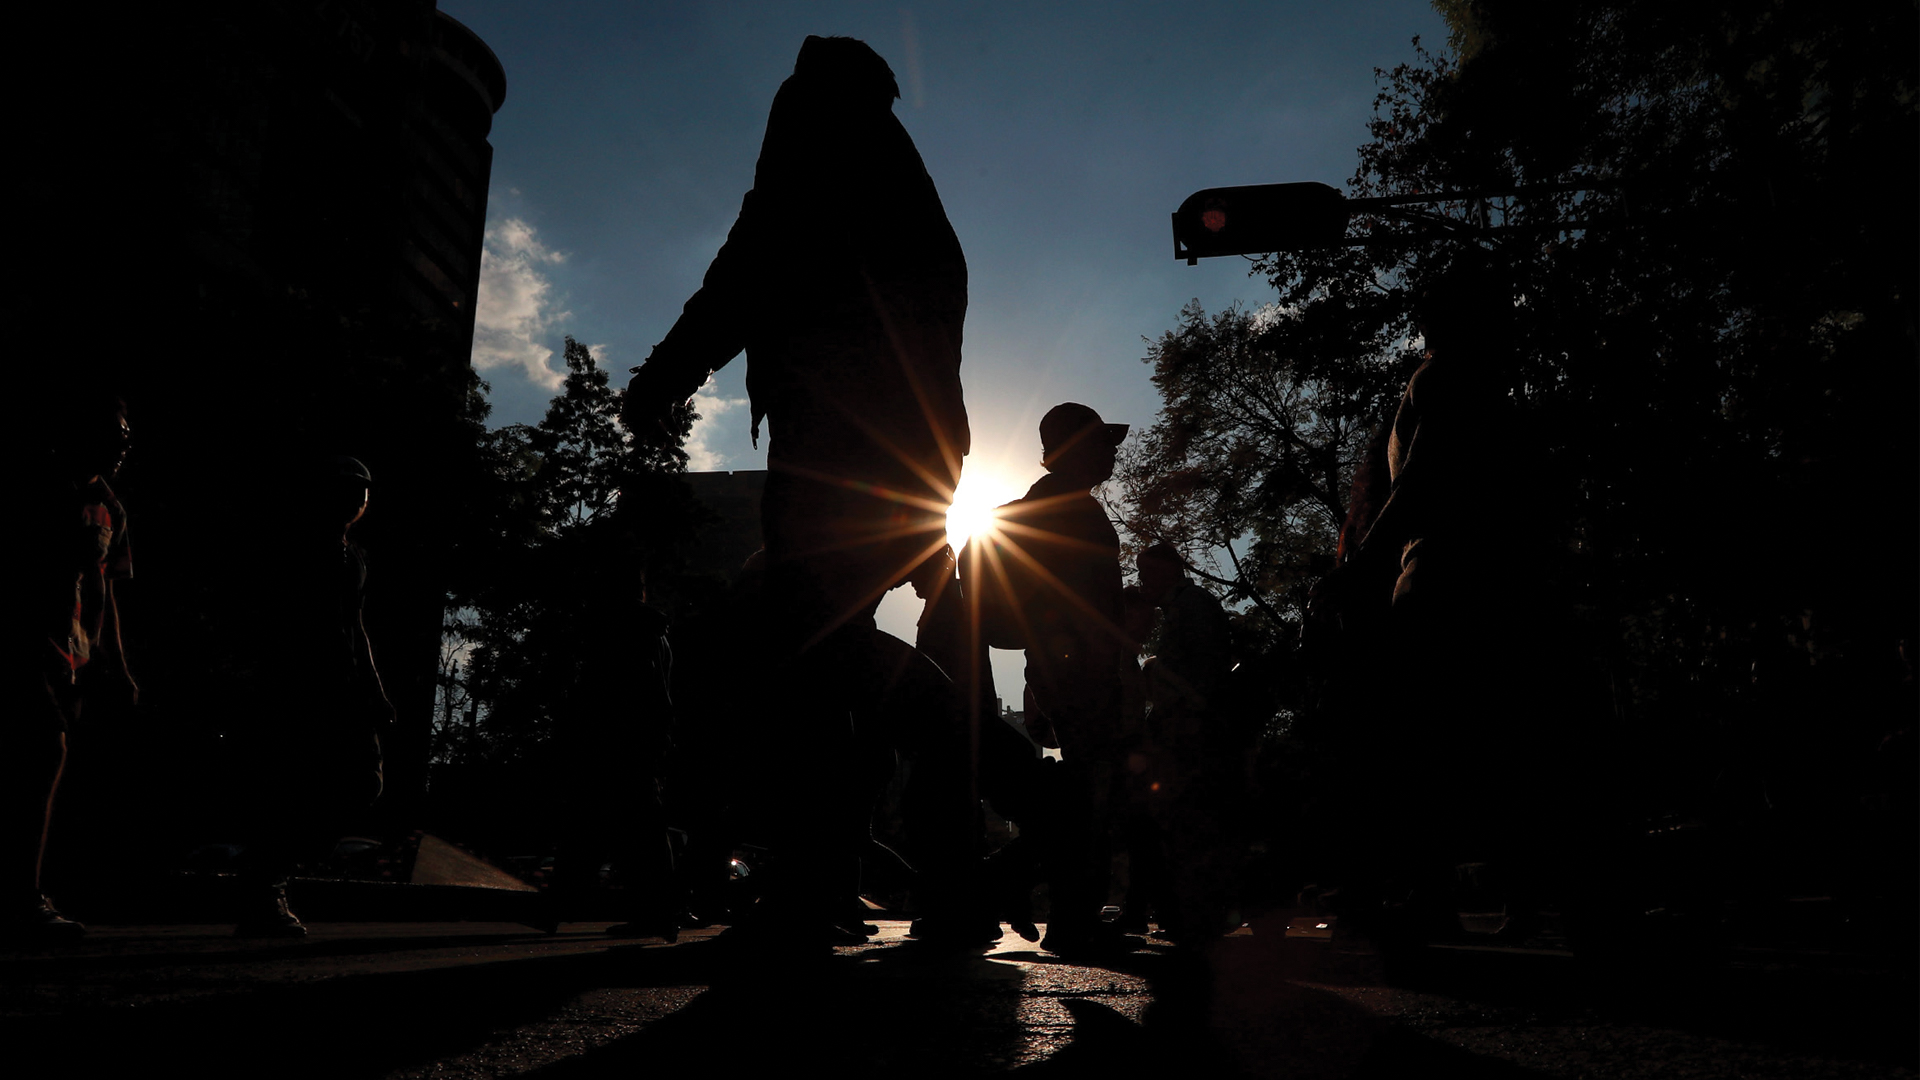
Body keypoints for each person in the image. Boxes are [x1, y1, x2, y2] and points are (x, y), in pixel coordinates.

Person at [622, 35, 978, 942]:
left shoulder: (820, 152)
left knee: (810, 650)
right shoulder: (905, 178)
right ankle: (885, 868)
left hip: (835, 446)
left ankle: (829, 874)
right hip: (907, 459)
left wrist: (663, 377)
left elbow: (746, 269)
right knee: (828, 649)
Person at [984, 402, 1132, 957]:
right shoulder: (1068, 511)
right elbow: (1080, 606)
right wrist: (1091, 669)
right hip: (1079, 674)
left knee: (1083, 796)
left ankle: (1025, 886)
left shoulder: (1049, 505)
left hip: (1065, 671)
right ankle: (1062, 914)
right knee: (1090, 797)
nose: (1112, 452)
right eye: (1102, 442)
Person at [234, 455, 392, 937]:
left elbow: (355, 623)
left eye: (361, 493)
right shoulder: (296, 547)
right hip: (298, 683)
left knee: (363, 780)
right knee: (295, 784)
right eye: (344, 490)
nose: (354, 501)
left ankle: (272, 870)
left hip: (342, 684)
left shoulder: (355, 556)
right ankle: (266, 884)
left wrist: (373, 686)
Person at [6, 391, 136, 940]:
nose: (121, 448)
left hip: (72, 657)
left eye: (125, 438)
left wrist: (114, 664)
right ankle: (22, 898)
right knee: (44, 752)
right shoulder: (37, 488)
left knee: (46, 773)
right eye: (113, 436)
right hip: (28, 645)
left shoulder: (111, 508)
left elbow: (106, 590)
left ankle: (29, 891)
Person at [1132, 542, 1243, 946]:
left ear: (1168, 570)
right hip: (1194, 728)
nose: (1143, 581)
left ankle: (1195, 912)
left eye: (1147, 573)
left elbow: (1195, 674)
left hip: (1195, 730)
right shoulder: (1187, 606)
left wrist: (1154, 671)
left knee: (1190, 822)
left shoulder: (1191, 607)